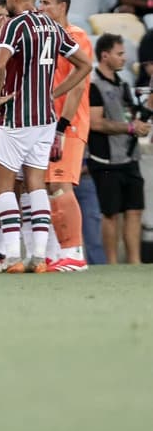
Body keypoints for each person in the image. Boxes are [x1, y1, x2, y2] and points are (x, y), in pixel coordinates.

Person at [0, 0, 92, 273]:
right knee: (36, 184)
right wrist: (53, 93)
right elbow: (84, 64)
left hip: (17, 116)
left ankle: (11, 256)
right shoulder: (51, 26)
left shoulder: (15, 25)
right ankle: (38, 256)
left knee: (3, 185)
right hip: (45, 118)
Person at [38, 0, 95, 272]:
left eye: (46, 2)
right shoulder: (46, 39)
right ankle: (59, 252)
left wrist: (61, 127)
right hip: (46, 123)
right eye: (40, 1)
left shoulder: (77, 36)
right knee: (49, 188)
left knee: (61, 185)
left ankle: (75, 252)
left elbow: (77, 88)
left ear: (62, 7)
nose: (41, 7)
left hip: (69, 124)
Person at [88, 33, 149, 264]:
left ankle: (134, 262)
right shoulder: (94, 85)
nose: (124, 58)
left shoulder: (123, 84)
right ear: (105, 55)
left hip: (129, 156)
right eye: (119, 54)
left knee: (134, 211)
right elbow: (96, 123)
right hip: (106, 160)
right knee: (110, 213)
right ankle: (111, 263)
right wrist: (131, 127)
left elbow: (134, 115)